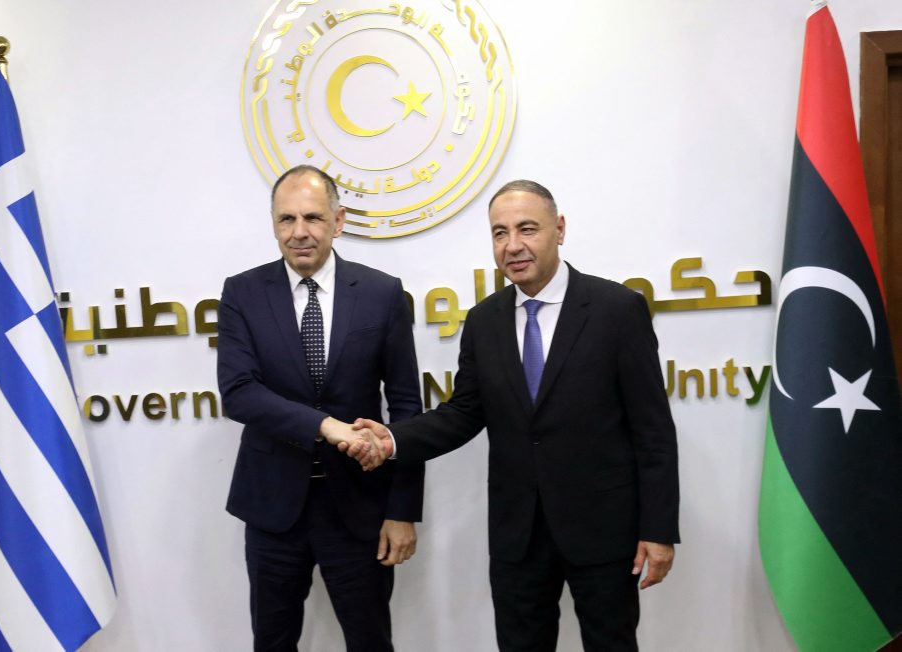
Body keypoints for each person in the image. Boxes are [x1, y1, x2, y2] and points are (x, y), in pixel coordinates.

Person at [344, 180, 680, 651]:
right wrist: (392, 439)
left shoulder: (617, 310)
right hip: (517, 534)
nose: (513, 245)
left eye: (527, 229)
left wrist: (658, 530)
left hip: (603, 530)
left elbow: (653, 430)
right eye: (500, 233)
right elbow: (463, 413)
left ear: (559, 229)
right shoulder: (484, 321)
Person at [217, 165, 424, 651]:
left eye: (312, 217)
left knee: (371, 642)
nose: (299, 232)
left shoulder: (381, 293)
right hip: (273, 508)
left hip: (359, 508)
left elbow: (406, 407)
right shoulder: (243, 293)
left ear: (339, 221)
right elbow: (239, 392)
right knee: (273, 642)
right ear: (273, 224)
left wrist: (402, 510)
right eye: (286, 219)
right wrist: (325, 425)